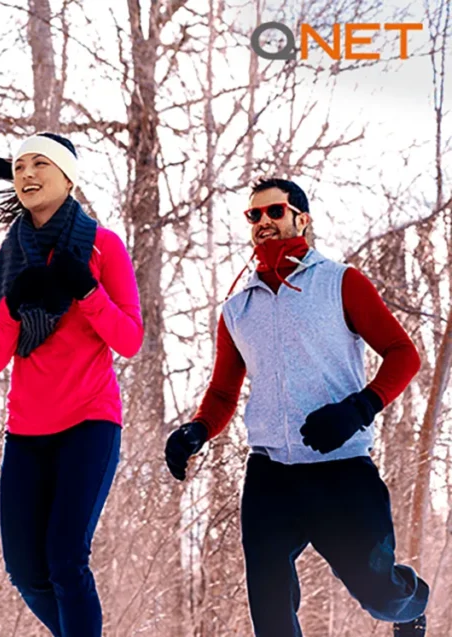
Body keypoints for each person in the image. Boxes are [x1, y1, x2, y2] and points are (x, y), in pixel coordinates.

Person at [163, 178, 429, 637]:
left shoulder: (340, 282)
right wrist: (197, 430)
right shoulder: (237, 309)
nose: (264, 222)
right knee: (270, 617)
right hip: (271, 476)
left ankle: (412, 604)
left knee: (383, 599)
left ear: (301, 219)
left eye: (275, 212)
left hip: (341, 471)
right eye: (254, 215)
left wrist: (358, 409)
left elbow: (403, 354)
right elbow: (224, 392)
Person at [0, 133, 144, 637]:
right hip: (26, 432)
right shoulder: (2, 261)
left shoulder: (103, 247)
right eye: (19, 166)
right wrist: (17, 310)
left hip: (89, 421)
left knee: (65, 560)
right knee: (25, 570)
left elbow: (129, 339)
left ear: (68, 177)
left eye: (40, 163)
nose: (27, 174)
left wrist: (85, 289)